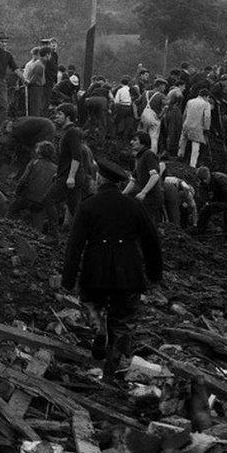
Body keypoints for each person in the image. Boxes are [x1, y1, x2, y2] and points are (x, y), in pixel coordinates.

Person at [62, 157, 162, 380]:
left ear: (99, 179)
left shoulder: (88, 205)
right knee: (122, 321)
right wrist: (155, 274)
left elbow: (74, 244)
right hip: (128, 271)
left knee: (92, 305)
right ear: (118, 183)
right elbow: (151, 241)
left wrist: (68, 279)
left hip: (95, 270)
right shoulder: (134, 206)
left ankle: (99, 329)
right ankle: (113, 369)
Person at [49, 103, 88, 222]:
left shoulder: (72, 132)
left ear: (68, 117)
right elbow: (66, 157)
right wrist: (59, 172)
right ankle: (82, 236)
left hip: (70, 177)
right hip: (67, 175)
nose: (56, 117)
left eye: (60, 114)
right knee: (74, 209)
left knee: (49, 200)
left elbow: (77, 156)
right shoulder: (68, 132)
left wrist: (71, 177)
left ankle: (53, 236)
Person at [8, 140, 57, 232]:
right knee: (37, 226)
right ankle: (36, 237)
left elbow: (23, 180)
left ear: (39, 151)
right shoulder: (56, 169)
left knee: (10, 210)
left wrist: (17, 192)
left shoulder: (34, 163)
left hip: (27, 197)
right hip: (41, 202)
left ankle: (5, 226)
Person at [123, 132, 163, 221]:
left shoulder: (148, 154)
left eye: (135, 140)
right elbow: (133, 179)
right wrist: (123, 194)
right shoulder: (139, 158)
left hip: (152, 197)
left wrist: (143, 192)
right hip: (145, 197)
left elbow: (155, 176)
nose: (131, 142)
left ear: (143, 142)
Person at [195, 166, 227, 234]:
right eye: (203, 180)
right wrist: (207, 203)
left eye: (206, 179)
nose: (205, 181)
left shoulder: (218, 178)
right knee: (207, 208)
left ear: (209, 175)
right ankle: (200, 229)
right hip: (217, 191)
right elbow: (203, 196)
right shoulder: (202, 183)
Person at [178, 88, 212, 168]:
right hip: (197, 127)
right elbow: (207, 117)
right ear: (205, 96)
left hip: (187, 125)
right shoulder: (206, 104)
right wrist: (207, 128)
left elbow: (185, 114)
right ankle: (192, 165)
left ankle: (180, 156)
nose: (208, 99)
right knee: (195, 145)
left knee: (183, 141)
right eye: (208, 97)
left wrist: (183, 123)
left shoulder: (190, 101)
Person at [139, 78, 167, 154]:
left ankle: (140, 152)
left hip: (144, 117)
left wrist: (136, 115)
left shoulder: (145, 93)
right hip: (154, 118)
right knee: (154, 138)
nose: (165, 88)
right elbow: (166, 107)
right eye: (164, 86)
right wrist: (160, 116)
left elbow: (136, 103)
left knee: (142, 136)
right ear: (160, 86)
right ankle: (152, 154)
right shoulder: (161, 95)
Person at [25, 47, 50, 117]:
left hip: (38, 88)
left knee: (38, 107)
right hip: (36, 88)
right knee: (35, 107)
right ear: (47, 55)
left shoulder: (40, 64)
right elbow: (33, 79)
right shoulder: (39, 65)